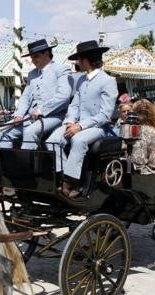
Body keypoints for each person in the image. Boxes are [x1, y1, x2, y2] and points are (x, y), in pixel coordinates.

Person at [46, 40, 118, 198]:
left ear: (88, 60)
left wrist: (80, 126)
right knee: (52, 141)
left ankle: (72, 182)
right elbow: (74, 106)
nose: (78, 63)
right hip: (75, 124)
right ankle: (65, 174)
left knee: (78, 140)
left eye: (79, 59)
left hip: (97, 127)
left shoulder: (108, 81)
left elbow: (105, 114)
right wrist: (70, 121)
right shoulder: (82, 81)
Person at [0, 39, 72, 149]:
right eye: (32, 57)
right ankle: (5, 165)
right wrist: (19, 114)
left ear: (46, 53)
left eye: (36, 56)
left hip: (55, 116)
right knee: (1, 131)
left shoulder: (61, 69)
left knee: (30, 132)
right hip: (30, 117)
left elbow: (63, 96)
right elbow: (25, 97)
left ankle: (26, 165)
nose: (33, 60)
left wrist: (41, 110)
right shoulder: (32, 74)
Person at [129, 99, 155, 174]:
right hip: (142, 171)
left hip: (126, 167)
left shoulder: (129, 128)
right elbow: (153, 159)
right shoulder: (153, 131)